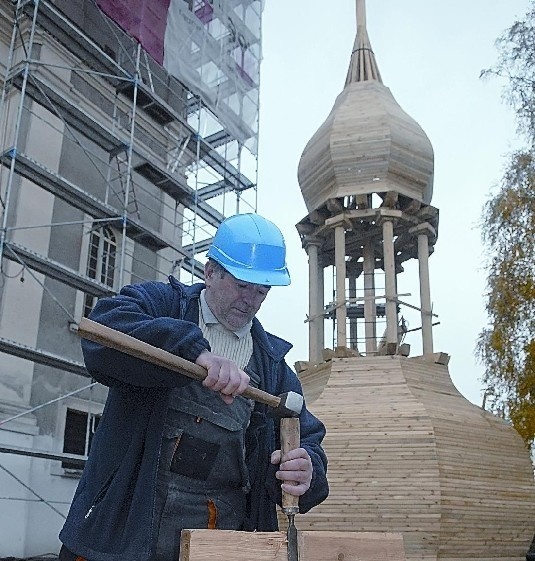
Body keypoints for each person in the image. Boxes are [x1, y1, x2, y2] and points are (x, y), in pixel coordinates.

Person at [59, 213, 329, 561]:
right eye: (242, 284)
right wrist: (192, 351)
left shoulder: (274, 368)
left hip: (221, 540)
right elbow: (102, 332)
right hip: (123, 533)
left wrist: (307, 469)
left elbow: (306, 439)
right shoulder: (162, 305)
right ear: (209, 272)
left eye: (261, 290)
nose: (251, 299)